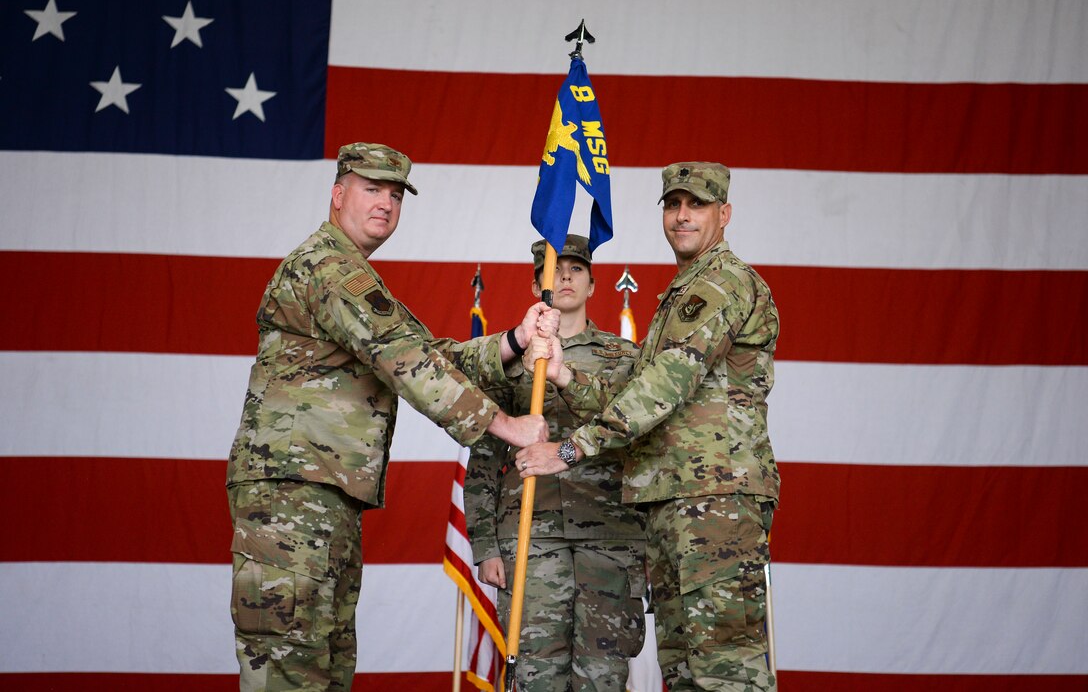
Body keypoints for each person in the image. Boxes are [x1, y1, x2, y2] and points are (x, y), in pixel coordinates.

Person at [226, 141, 552, 691]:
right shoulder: (329, 269)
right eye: (372, 189)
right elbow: (404, 362)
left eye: (396, 194)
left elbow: (422, 354)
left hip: (319, 496)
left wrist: (516, 342)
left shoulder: (351, 275)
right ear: (337, 195)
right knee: (290, 672)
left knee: (323, 671)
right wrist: (507, 427)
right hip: (293, 496)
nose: (385, 203)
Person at [516, 163, 780, 691]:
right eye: (673, 204)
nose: (682, 216)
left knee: (724, 672)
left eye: (697, 204)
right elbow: (632, 395)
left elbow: (665, 386)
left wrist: (568, 451)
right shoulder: (680, 294)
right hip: (673, 500)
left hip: (715, 499)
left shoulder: (722, 282)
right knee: (684, 672)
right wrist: (565, 374)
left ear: (723, 214)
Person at [464, 235, 646, 691]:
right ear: (535, 287)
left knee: (602, 678)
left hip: (609, 538)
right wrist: (485, 545)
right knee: (534, 674)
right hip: (530, 537)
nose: (564, 277)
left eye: (575, 269)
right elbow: (485, 458)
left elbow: (637, 438)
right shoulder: (508, 362)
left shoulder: (625, 360)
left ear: (592, 285)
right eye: (553, 270)